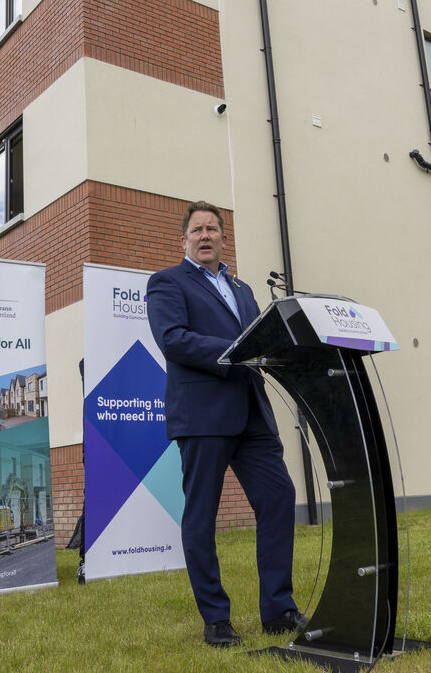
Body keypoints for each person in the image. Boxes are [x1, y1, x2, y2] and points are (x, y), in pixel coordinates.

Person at [146, 201, 305, 648]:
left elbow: (263, 339)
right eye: (196, 230)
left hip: (253, 413)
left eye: (212, 229)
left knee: (278, 497)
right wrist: (237, 350)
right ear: (184, 240)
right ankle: (216, 618)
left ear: (222, 237)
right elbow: (173, 340)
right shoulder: (166, 282)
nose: (205, 236)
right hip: (203, 415)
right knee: (202, 516)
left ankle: (278, 608)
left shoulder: (244, 289)